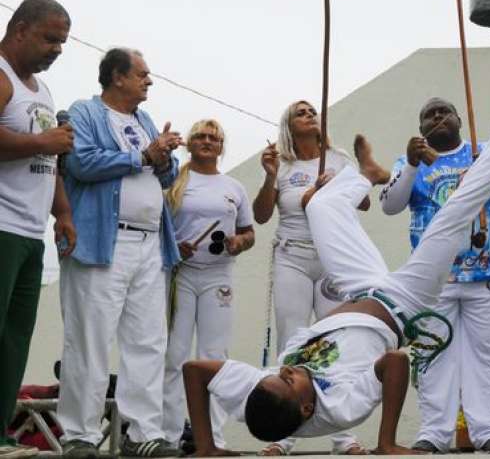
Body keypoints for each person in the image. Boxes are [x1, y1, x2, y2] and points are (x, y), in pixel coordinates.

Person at [181, 63, 490, 456]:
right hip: (403, 301)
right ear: (306, 408)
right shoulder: (340, 405)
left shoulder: (261, 392)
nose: (282, 371)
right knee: (454, 213)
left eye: (276, 377)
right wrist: (385, 442)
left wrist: (205, 449)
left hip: (356, 286)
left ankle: (365, 174)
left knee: (319, 209)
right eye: (287, 381)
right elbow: (395, 363)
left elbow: (194, 371)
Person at [379, 99, 490, 453]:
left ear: (460, 119)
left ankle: (487, 430)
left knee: (486, 354)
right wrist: (413, 165)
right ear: (421, 127)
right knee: (433, 354)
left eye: (444, 111)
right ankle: (435, 432)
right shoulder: (408, 162)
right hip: (433, 281)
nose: (437, 117)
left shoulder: (483, 150)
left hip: (485, 271)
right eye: (428, 114)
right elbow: (389, 204)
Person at [57, 48, 184, 458]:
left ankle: (142, 433)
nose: (149, 81)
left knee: (149, 341)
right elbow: (80, 163)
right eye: (142, 74)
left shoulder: (144, 120)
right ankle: (79, 435)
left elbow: (163, 175)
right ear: (117, 77)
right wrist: (144, 155)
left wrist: (164, 155)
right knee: (90, 339)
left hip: (150, 243)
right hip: (102, 241)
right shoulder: (85, 113)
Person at [252, 100, 365, 455]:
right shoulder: (282, 165)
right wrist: (270, 176)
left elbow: (364, 203)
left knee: (336, 343)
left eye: (311, 110)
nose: (308, 114)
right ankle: (283, 435)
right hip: (293, 256)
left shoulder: (339, 158)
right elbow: (261, 215)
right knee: (293, 340)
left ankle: (343, 436)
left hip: (331, 257)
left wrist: (334, 187)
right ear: (288, 124)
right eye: (300, 112)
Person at [0, 0, 75, 459]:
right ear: (21, 29)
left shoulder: (42, 92)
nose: (57, 50)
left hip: (30, 233)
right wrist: (39, 140)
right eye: (50, 39)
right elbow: (40, 144)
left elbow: (51, 160)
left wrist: (62, 212)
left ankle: (3, 435)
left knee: (13, 339)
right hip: (2, 225)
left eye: (62, 43)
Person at [161, 119, 255, 450]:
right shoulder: (174, 180)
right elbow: (159, 229)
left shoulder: (234, 187)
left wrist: (239, 243)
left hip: (219, 276)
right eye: (199, 136)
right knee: (175, 356)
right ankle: (169, 437)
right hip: (181, 275)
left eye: (213, 137)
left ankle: (212, 438)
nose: (206, 141)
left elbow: (249, 233)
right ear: (189, 143)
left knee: (215, 355)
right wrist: (175, 247)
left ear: (221, 146)